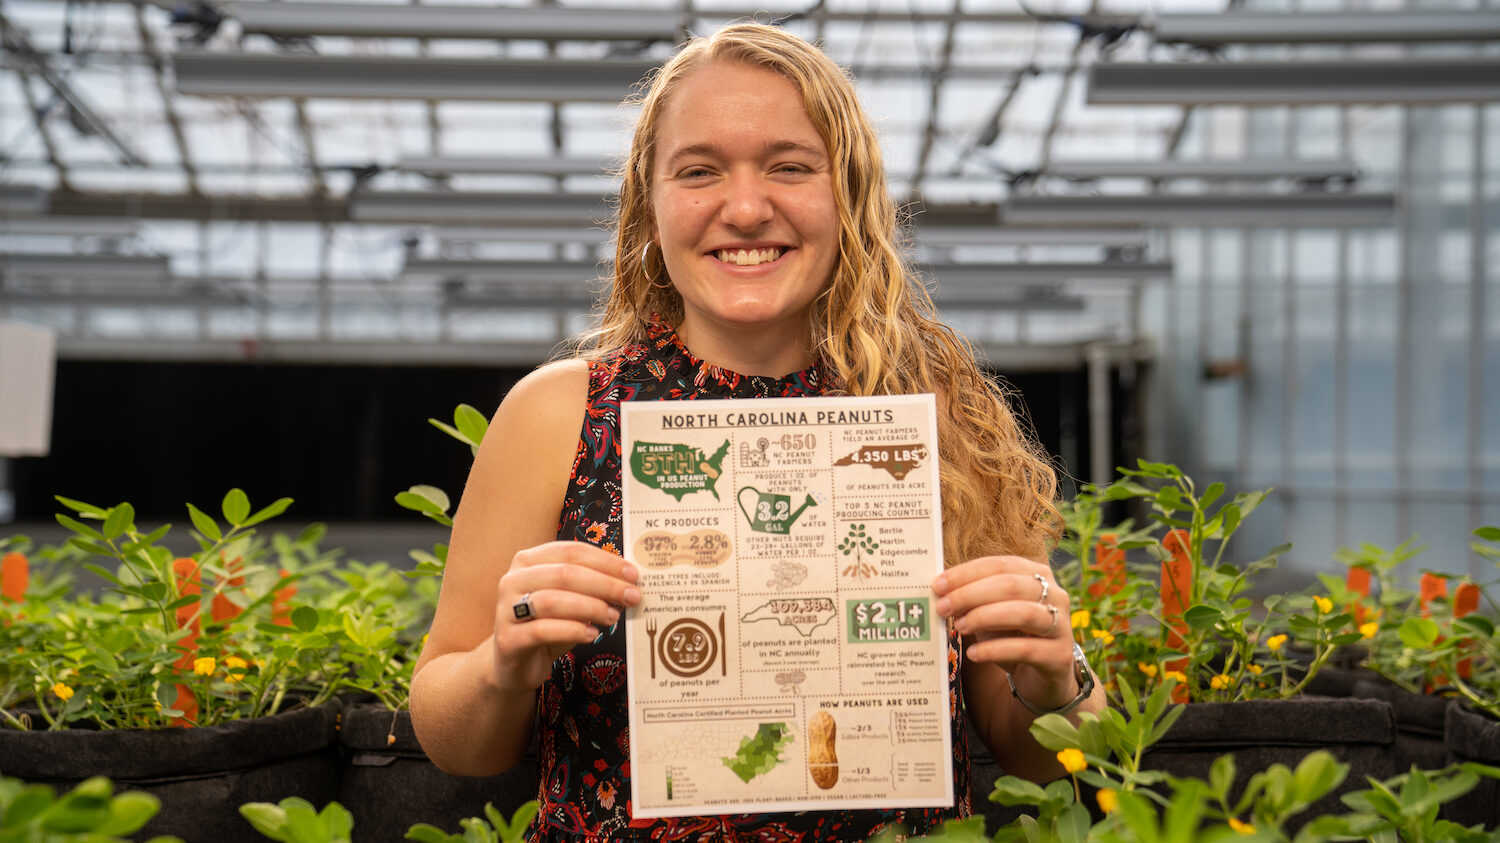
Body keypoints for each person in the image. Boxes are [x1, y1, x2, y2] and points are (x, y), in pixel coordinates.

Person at [410, 22, 1106, 842]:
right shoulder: (562, 414)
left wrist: (1056, 671)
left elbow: (1045, 751)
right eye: (700, 171)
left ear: (846, 194)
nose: (745, 209)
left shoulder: (931, 414)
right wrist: (502, 663)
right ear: (651, 202)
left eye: (790, 167)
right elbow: (454, 742)